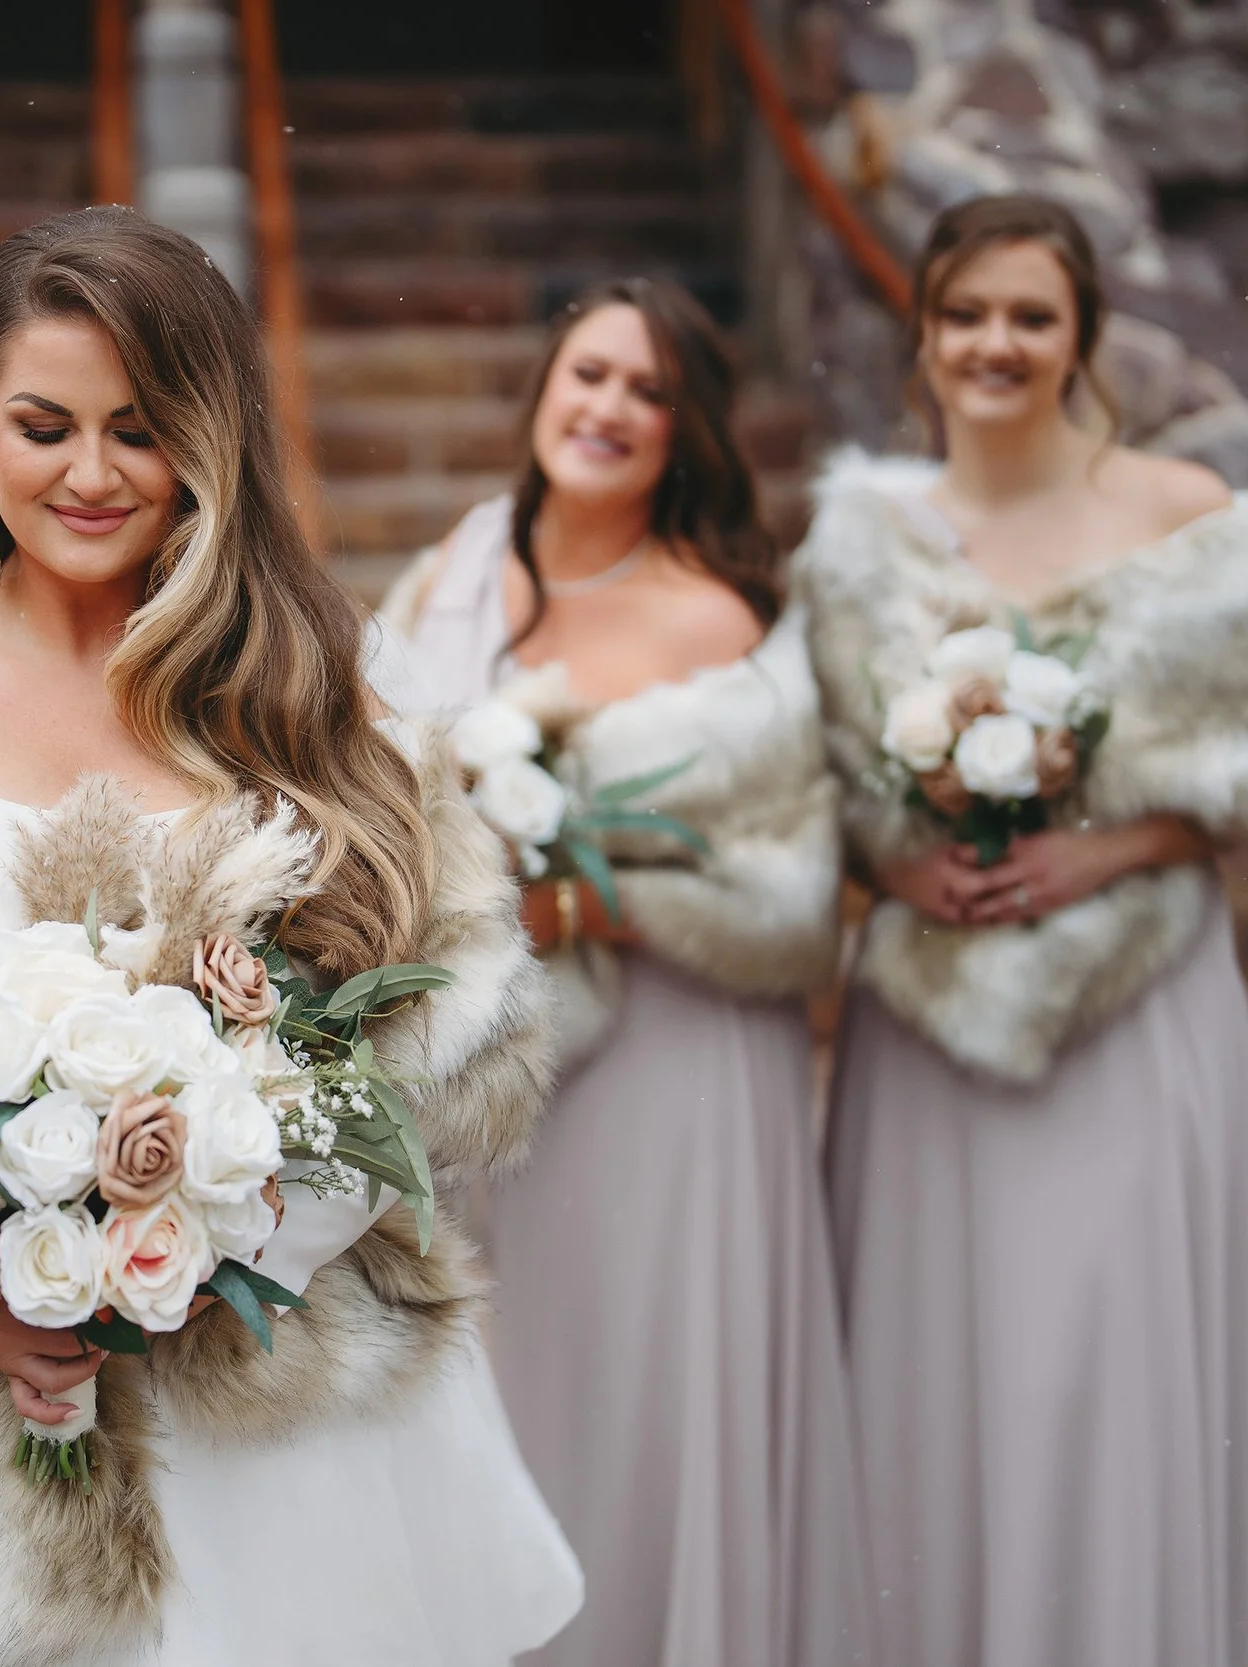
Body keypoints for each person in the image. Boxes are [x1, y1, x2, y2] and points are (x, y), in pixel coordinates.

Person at [0, 207, 583, 1667]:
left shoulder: (317, 711)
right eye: (43, 424)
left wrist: (185, 1253)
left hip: (259, 1440)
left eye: (139, 430)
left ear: (209, 440)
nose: (89, 475)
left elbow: (443, 1055)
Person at [794, 193, 1248, 1666]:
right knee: (937, 1374)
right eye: (966, 313)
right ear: (921, 334)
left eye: (1032, 316)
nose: (997, 344)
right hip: (931, 1024)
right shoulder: (860, 544)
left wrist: (1116, 846)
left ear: (1082, 337)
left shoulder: (1191, 519)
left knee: (1108, 1358)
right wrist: (897, 877)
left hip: (1133, 1004)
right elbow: (821, 780)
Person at [382, 277, 872, 1667]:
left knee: (658, 1392)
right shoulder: (451, 575)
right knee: (523, 1391)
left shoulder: (722, 623)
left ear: (686, 431)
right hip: (503, 1074)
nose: (607, 409)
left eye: (648, 392)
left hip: (680, 1069)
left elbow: (790, 895)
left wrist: (591, 900)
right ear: (545, 385)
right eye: (588, 373)